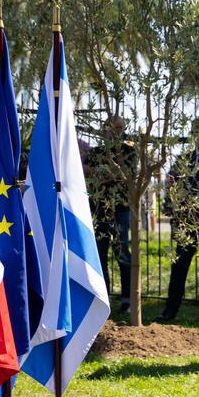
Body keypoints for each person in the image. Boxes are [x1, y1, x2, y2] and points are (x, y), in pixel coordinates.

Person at [87, 116, 135, 313]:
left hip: (120, 209)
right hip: (99, 209)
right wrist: (100, 171)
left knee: (122, 253)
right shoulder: (97, 151)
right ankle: (102, 298)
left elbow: (123, 174)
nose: (116, 131)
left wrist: (100, 171)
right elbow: (84, 171)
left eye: (120, 128)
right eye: (113, 127)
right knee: (100, 254)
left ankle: (127, 299)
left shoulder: (128, 151)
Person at [158, 120, 199, 322]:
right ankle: (170, 310)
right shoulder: (184, 159)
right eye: (197, 132)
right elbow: (171, 184)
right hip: (187, 220)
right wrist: (170, 205)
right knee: (180, 265)